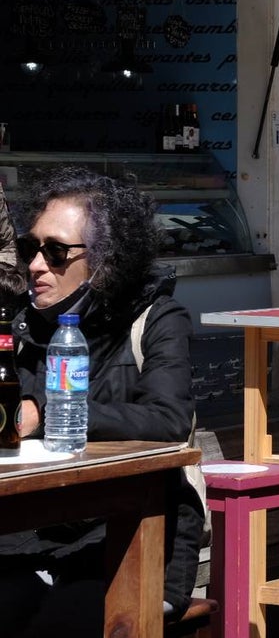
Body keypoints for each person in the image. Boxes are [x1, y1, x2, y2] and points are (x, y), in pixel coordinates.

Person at [0, 165, 202, 637]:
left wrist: (46, 414)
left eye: (55, 252)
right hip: (27, 533)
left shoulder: (156, 318)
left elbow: (169, 420)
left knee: (64, 624)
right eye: (30, 249)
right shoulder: (21, 326)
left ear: (105, 259)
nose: (36, 266)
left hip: (130, 534)